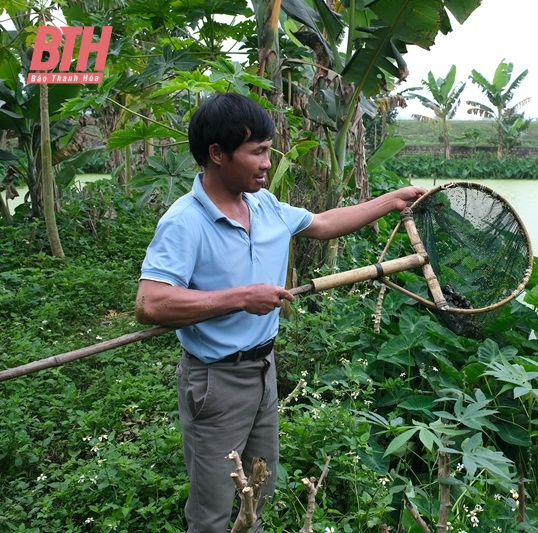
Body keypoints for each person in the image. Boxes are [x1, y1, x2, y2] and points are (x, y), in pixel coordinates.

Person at [134, 91, 425, 532]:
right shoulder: (185, 221)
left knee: (258, 486)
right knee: (212, 508)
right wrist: (240, 297)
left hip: (263, 369)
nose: (268, 162)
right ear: (217, 154)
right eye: (258, 152)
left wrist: (390, 200)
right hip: (215, 381)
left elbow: (323, 225)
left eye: (268, 151)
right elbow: (150, 303)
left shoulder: (263, 204)